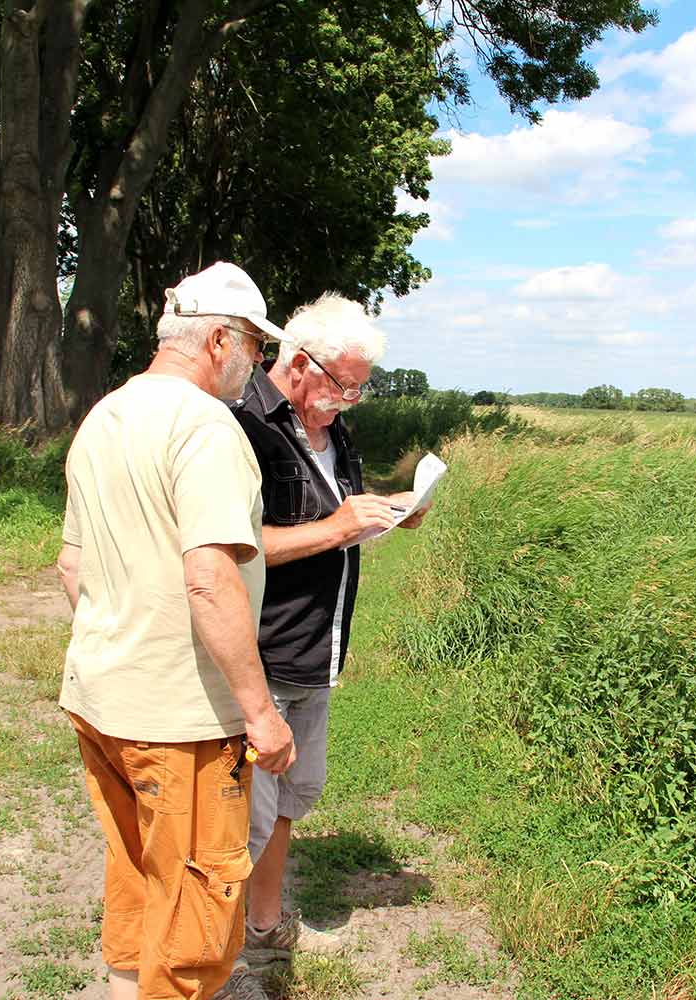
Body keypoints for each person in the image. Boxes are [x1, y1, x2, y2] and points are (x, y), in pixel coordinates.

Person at [55, 261, 298, 1000]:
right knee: (197, 906)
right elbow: (209, 576)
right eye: (255, 348)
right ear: (219, 340)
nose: (255, 366)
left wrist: (123, 636)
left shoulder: (107, 415)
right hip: (181, 721)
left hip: (101, 698)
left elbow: (72, 565)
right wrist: (260, 713)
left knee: (137, 871)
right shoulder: (205, 427)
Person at [223, 294, 427, 995]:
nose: (354, 399)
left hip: (318, 652)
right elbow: (232, 552)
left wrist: (392, 512)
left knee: (287, 801)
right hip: (260, 657)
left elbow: (338, 516)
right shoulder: (242, 427)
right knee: (234, 824)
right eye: (345, 384)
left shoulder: (334, 429)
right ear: (298, 363)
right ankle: (216, 965)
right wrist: (339, 528)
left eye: (362, 385)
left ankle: (264, 923)